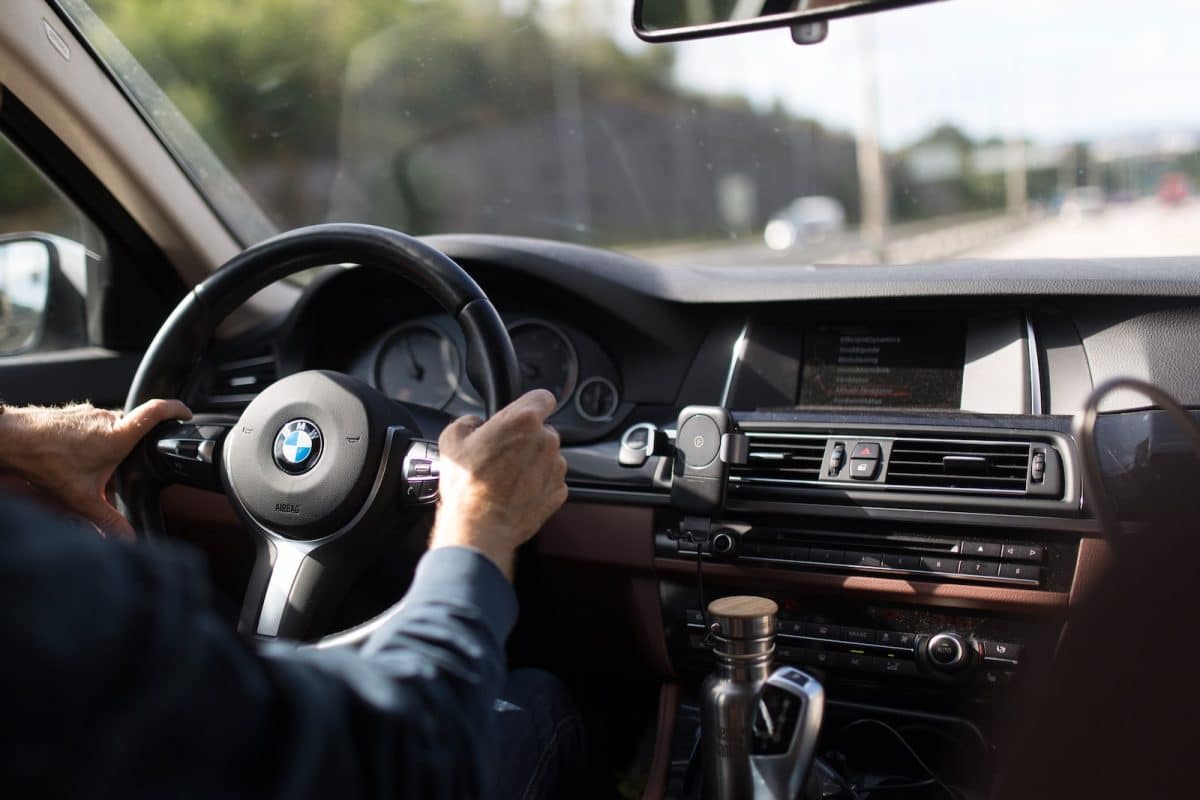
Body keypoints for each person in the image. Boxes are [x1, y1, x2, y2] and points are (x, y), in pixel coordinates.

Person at [0, 390, 587, 798]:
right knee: (533, 700)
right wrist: (480, 516)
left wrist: (16, 433)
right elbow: (411, 754)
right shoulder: (42, 595)